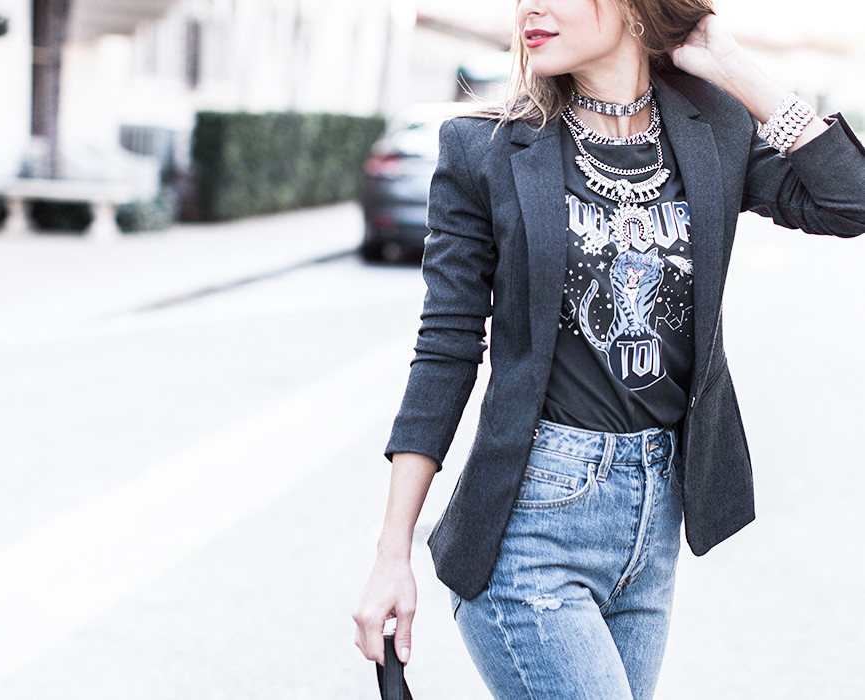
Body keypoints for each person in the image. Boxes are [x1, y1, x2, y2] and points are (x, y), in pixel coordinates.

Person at [352, 0, 865, 697]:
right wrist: (392, 552)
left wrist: (733, 67)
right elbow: (446, 347)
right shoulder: (486, 149)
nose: (530, 8)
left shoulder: (712, 126)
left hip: (654, 523)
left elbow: (849, 201)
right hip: (531, 526)